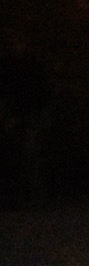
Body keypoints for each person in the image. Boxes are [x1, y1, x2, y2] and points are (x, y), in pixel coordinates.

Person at [1, 29, 52, 203]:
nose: (15, 47)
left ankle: (35, 194)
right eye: (13, 43)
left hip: (33, 113)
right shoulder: (8, 65)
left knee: (31, 152)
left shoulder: (31, 66)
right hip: (18, 113)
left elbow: (37, 95)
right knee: (16, 152)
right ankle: (19, 193)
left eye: (19, 43)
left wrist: (21, 117)